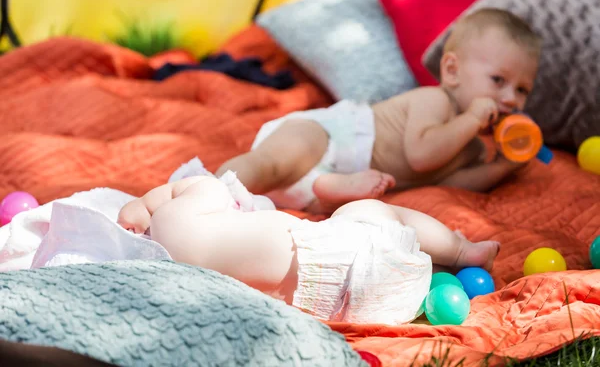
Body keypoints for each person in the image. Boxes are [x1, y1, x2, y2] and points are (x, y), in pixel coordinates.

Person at [216, 8, 542, 213]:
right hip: (326, 137)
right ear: (452, 71)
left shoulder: (469, 145)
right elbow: (421, 156)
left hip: (332, 182)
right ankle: (207, 191)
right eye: (498, 80)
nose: (511, 99)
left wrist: (503, 167)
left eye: (522, 89)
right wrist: (471, 120)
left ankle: (324, 191)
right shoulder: (436, 102)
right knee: (270, 166)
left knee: (335, 211)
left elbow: (453, 183)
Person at [117, 175, 500, 325]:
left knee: (354, 223)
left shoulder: (180, 275)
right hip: (340, 255)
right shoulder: (173, 214)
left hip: (348, 310)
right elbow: (203, 185)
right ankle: (461, 250)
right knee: (366, 212)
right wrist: (147, 201)